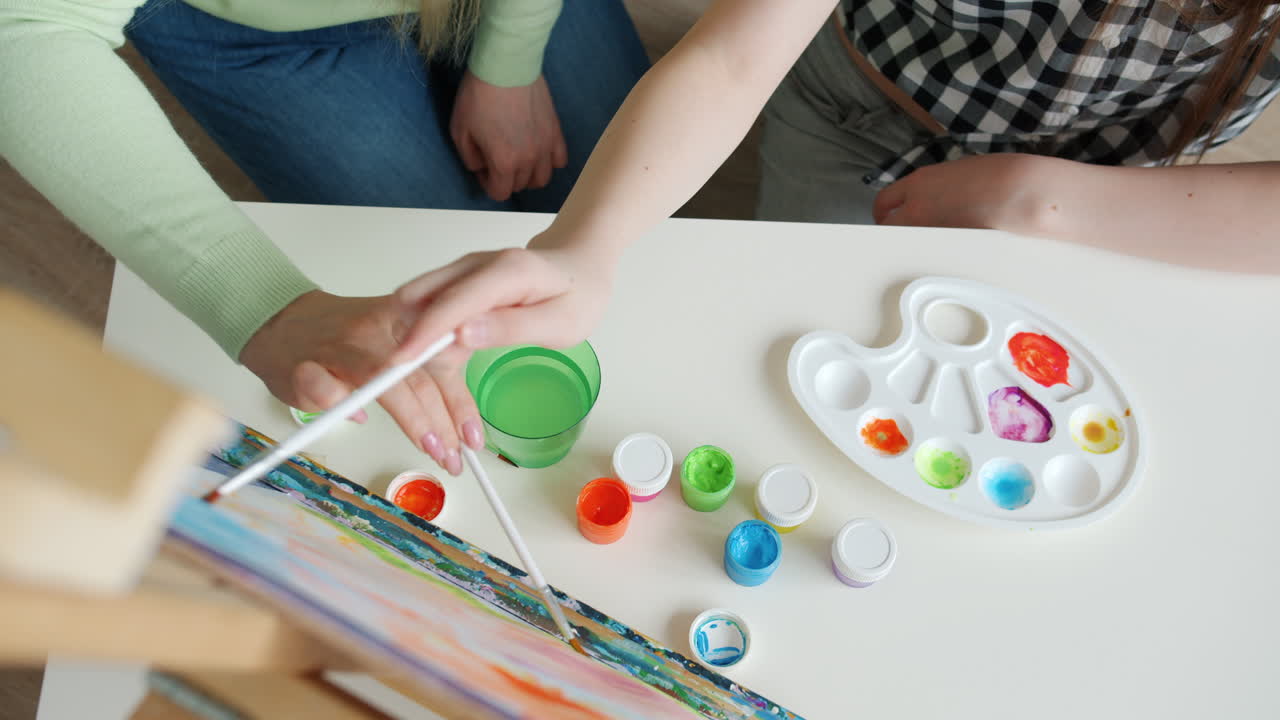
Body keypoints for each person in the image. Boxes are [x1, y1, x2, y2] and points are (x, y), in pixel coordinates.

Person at [381, 0, 1280, 474]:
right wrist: (586, 245)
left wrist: (1039, 198)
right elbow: (735, 55)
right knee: (814, 384)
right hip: (852, 99)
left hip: (1121, 185)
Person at [0, 0, 648, 476]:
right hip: (257, 29)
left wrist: (510, 59)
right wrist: (265, 307)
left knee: (625, 199)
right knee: (428, 243)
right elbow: (22, 27)